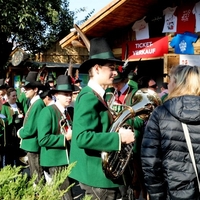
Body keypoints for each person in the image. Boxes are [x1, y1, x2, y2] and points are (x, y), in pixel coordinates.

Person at [69, 38, 135, 199]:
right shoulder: (88, 97)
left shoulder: (96, 95)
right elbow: (82, 137)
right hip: (97, 176)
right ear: (97, 68)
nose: (115, 72)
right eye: (111, 68)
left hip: (98, 174)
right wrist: (119, 138)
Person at [141, 65, 200, 199]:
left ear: (177, 84)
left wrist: (157, 196)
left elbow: (150, 163)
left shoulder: (160, 113)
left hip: (173, 192)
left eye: (170, 81)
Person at [105, 67, 147, 200]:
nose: (115, 85)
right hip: (117, 143)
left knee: (138, 180)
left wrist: (122, 120)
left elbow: (141, 122)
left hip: (133, 145)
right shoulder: (110, 93)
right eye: (114, 83)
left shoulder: (135, 94)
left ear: (125, 80)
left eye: (118, 82)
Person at [38, 75, 73, 200]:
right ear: (56, 95)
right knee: (66, 195)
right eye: (65, 94)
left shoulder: (67, 111)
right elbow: (42, 139)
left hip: (65, 159)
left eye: (70, 94)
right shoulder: (48, 112)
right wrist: (65, 138)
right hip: (54, 160)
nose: (69, 97)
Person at [17, 71, 47, 183]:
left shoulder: (38, 103)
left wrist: (20, 133)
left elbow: (31, 129)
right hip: (31, 145)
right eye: (25, 88)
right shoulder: (34, 102)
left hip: (34, 145)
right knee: (35, 174)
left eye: (28, 88)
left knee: (37, 175)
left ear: (35, 89)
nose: (25, 90)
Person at [1, 87, 26, 166]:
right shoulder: (4, 106)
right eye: (13, 96)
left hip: (19, 133)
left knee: (20, 156)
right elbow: (3, 120)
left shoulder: (19, 105)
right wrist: (13, 118)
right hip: (10, 134)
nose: (15, 97)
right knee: (10, 157)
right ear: (8, 97)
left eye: (16, 95)